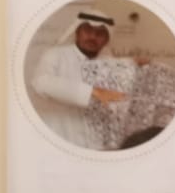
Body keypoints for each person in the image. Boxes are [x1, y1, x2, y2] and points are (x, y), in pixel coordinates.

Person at [30, 9, 125, 149]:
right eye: (88, 31)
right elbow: (41, 83)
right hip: (59, 137)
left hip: (97, 145)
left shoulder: (111, 65)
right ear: (77, 33)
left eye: (100, 34)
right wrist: (92, 92)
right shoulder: (55, 55)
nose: (93, 37)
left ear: (106, 40)